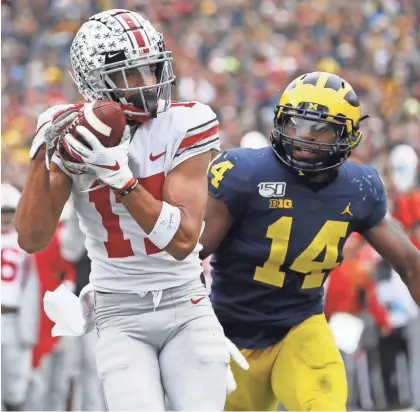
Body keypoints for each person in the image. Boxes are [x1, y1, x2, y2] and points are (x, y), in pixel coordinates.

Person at [15, 9, 240, 411]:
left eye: (151, 68)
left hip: (185, 302)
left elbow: (183, 240)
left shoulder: (188, 121)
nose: (149, 83)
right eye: (130, 74)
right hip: (119, 312)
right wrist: (40, 155)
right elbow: (31, 238)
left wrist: (121, 180)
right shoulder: (78, 136)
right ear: (95, 82)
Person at [200, 71, 420, 411]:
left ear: (348, 135)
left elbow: (410, 264)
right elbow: (191, 251)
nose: (304, 138)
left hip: (299, 327)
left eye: (321, 129)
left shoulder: (359, 188)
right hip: (229, 331)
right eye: (295, 125)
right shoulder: (244, 173)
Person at [1, 183, 37, 411]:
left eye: (9, 213)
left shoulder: (25, 242)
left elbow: (33, 286)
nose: (5, 219)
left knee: (16, 385)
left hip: (15, 319)